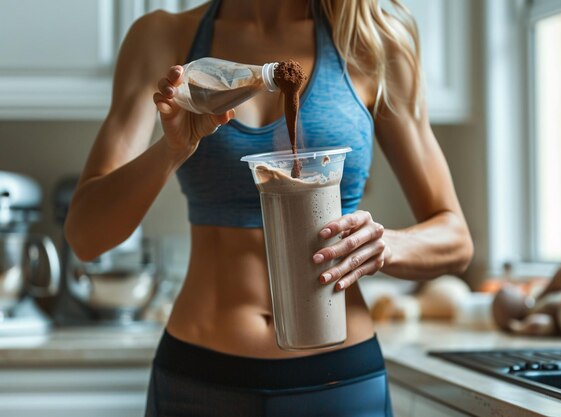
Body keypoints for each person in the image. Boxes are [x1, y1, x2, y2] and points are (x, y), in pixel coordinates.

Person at [65, 0, 474, 415]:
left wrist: (384, 245)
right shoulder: (163, 37)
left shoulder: (373, 39)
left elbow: (456, 237)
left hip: (339, 381)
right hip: (199, 381)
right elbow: (85, 236)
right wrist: (172, 150)